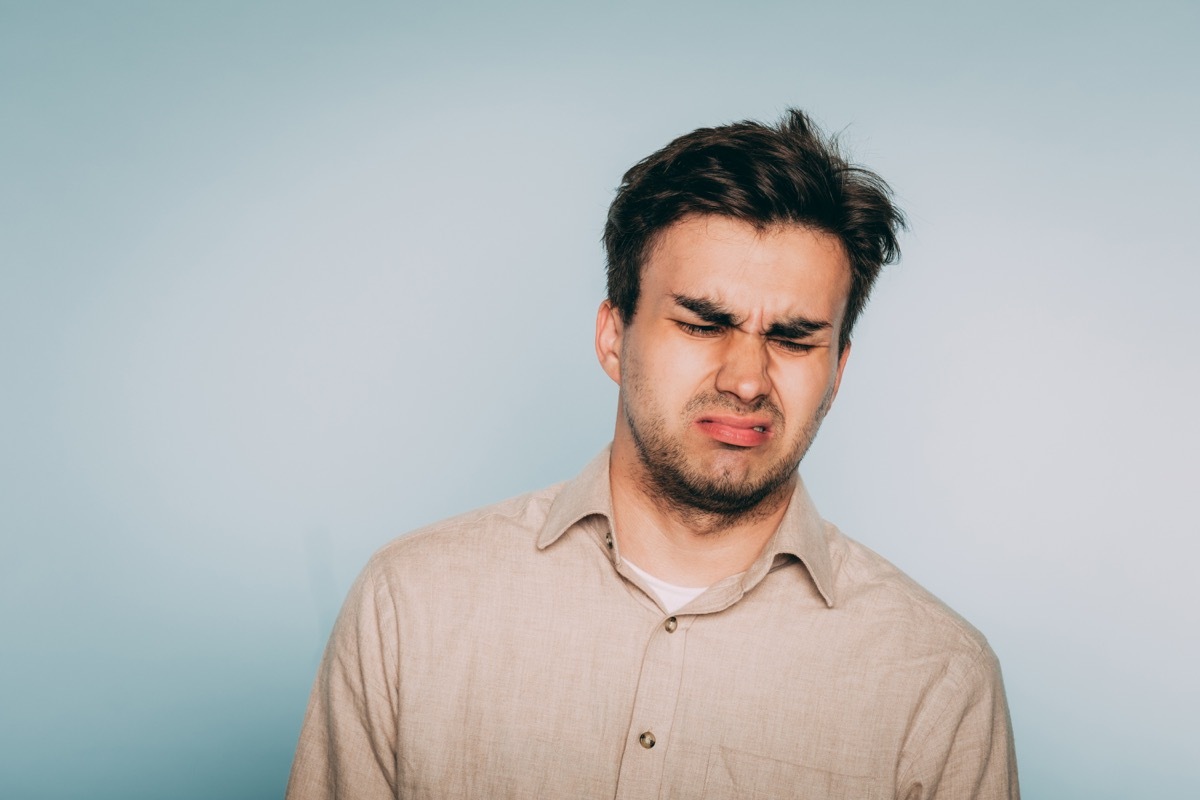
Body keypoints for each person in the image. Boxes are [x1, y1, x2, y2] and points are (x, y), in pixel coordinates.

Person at [286, 109, 1019, 799]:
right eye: (703, 324)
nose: (746, 379)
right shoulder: (411, 606)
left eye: (793, 340)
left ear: (838, 369)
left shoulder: (939, 681)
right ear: (613, 336)